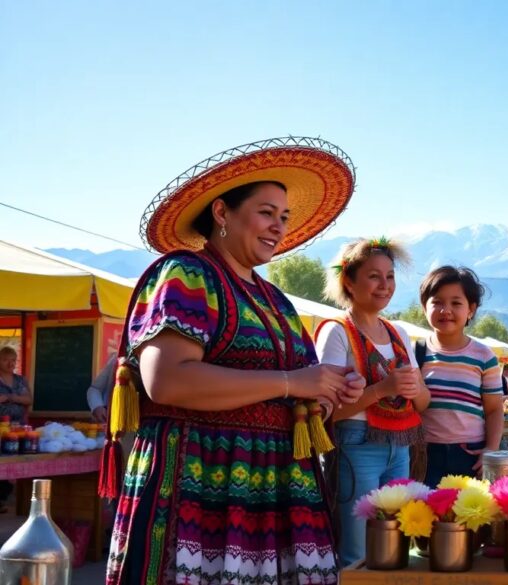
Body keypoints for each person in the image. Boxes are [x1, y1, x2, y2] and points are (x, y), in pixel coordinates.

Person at [106, 137, 364, 584]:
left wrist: (328, 392)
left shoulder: (276, 302)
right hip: (199, 483)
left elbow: (304, 396)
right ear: (222, 212)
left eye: (284, 217)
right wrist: (289, 382)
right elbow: (165, 382)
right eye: (266, 212)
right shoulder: (188, 274)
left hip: (274, 495)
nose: (278, 227)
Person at [316, 237, 430, 566]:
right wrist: (381, 390)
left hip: (401, 448)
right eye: (374, 276)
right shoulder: (336, 332)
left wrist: (413, 390)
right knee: (357, 550)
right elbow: (327, 413)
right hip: (355, 446)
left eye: (390, 276)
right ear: (348, 281)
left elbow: (423, 403)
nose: (385, 285)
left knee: (395, 545)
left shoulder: (398, 334)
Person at [417, 266, 504, 486]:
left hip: (471, 456)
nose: (446, 310)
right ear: (424, 307)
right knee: (428, 519)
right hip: (425, 456)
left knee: (470, 518)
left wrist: (490, 450)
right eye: (437, 302)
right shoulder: (415, 353)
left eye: (456, 303)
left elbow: (494, 409)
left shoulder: (484, 356)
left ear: (471, 309)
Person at [0, 345, 32, 514]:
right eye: (6, 360)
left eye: (13, 360)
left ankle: (9, 498)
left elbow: (28, 400)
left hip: (18, 428)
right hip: (1, 429)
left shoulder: (20, 380)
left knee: (16, 461)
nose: (10, 363)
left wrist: (14, 398)